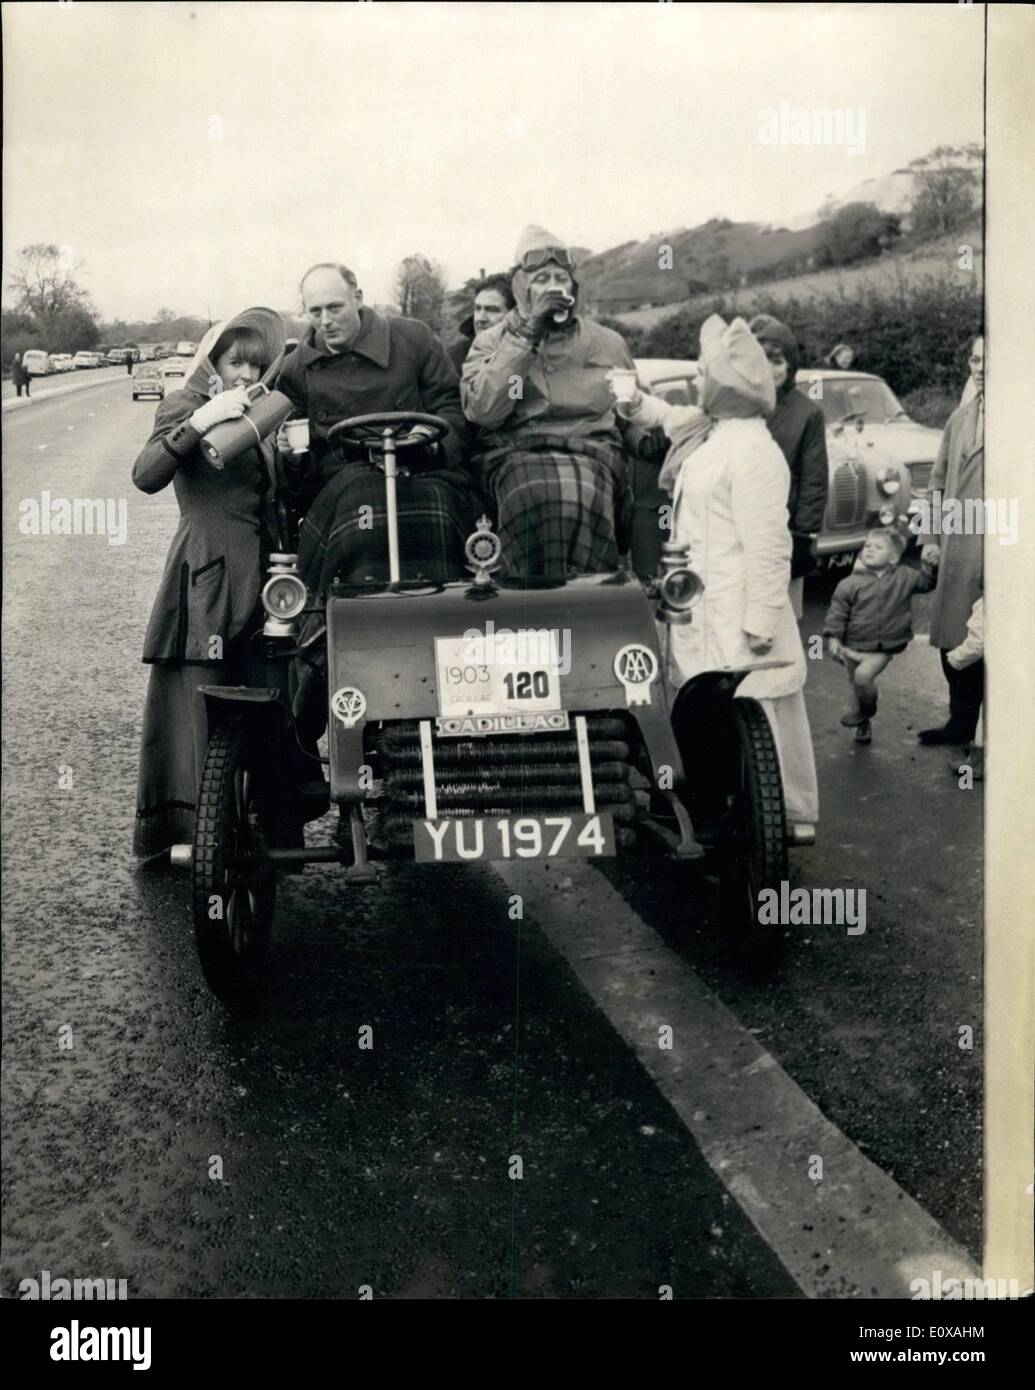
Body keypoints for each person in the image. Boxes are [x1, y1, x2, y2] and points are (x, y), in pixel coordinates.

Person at [613, 313, 819, 831]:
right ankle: (709, 805)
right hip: (700, 604)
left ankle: (772, 821)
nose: (700, 380)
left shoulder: (754, 452)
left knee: (754, 718)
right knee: (702, 709)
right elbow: (664, 415)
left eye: (707, 372)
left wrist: (761, 620)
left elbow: (771, 546)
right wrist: (631, 400)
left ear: (729, 383)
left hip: (737, 611)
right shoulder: (712, 431)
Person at [131, 307, 287, 858]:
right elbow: (146, 475)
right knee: (197, 700)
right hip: (207, 571)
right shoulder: (185, 405)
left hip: (264, 575)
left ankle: (262, 824)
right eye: (234, 362)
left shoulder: (262, 413)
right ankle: (193, 832)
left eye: (255, 365)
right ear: (213, 362)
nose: (245, 374)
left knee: (267, 693)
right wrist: (198, 423)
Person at [276, 262, 475, 592]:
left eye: (335, 307)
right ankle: (350, 610)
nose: (326, 321)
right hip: (343, 480)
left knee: (440, 503)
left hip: (424, 468)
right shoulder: (296, 369)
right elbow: (296, 457)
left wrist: (429, 440)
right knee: (364, 504)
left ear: (357, 297)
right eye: (315, 311)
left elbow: (451, 406)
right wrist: (291, 455)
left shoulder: (414, 339)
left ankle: (448, 604)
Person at [461, 224, 640, 577]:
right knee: (531, 489)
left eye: (561, 277)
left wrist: (649, 436)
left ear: (574, 287)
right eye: (542, 279)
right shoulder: (493, 341)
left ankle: (592, 604)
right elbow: (483, 412)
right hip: (516, 452)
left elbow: (628, 413)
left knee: (586, 487)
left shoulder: (608, 342)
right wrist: (528, 334)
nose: (554, 287)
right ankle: (525, 605)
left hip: (592, 452)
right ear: (521, 287)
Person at [918, 334, 984, 747]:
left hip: (998, 546)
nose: (980, 366)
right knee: (952, 643)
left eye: (989, 359)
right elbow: (936, 484)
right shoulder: (959, 419)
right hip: (956, 548)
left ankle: (988, 742)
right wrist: (929, 536)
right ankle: (959, 724)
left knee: (990, 643)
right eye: (975, 359)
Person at [823, 527, 938, 744]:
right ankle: (863, 723)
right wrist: (834, 639)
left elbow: (925, 584)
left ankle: (869, 709)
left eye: (878, 547)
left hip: (883, 646)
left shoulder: (904, 577)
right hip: (852, 644)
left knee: (863, 678)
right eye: (867, 546)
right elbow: (837, 614)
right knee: (854, 686)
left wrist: (930, 569)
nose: (869, 550)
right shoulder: (849, 583)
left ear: (893, 557)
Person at [749, 315, 829, 614]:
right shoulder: (741, 404)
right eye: (762, 360)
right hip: (744, 527)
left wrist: (804, 535)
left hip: (786, 530)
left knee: (783, 617)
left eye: (778, 361)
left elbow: (814, 481)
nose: (770, 370)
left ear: (791, 365)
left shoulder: (807, 413)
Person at [945, 597, 984, 780]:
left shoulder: (985, 604)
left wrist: (954, 658)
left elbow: (977, 644)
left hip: (999, 674)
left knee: (987, 717)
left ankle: (974, 769)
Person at [447, 274, 515, 372]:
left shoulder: (531, 356)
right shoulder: (454, 359)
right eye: (478, 309)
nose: (480, 318)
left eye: (492, 310)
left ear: (513, 315)